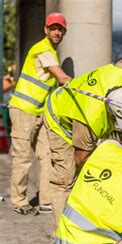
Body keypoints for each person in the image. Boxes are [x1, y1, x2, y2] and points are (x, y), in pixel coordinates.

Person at [43, 60, 122, 230]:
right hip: (58, 117)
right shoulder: (90, 120)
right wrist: (114, 155)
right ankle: (60, 238)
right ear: (110, 112)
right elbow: (81, 158)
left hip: (76, 106)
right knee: (65, 177)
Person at [8, 12, 71, 215]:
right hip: (23, 112)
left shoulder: (51, 53)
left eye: (60, 29)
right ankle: (19, 201)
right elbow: (61, 77)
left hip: (39, 115)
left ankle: (46, 201)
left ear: (64, 32)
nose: (56, 32)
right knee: (23, 158)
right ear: (46, 30)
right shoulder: (43, 50)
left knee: (47, 156)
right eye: (53, 28)